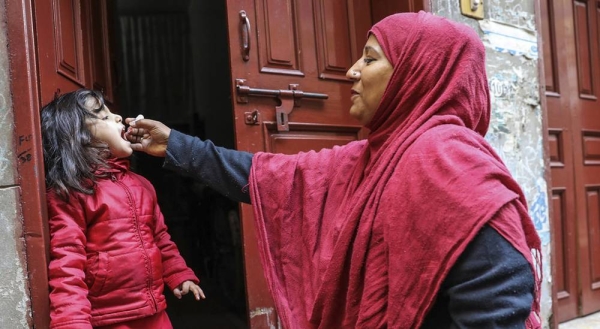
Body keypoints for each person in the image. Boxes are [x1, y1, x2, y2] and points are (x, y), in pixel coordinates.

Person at [126, 11, 541, 329]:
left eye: (371, 58)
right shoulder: (378, 155)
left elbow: (498, 293)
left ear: (417, 74)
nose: (352, 71)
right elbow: (272, 175)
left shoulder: (449, 160)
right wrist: (176, 145)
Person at [41, 89, 206, 329]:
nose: (118, 117)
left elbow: (161, 239)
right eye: (104, 116)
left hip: (154, 310)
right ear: (79, 136)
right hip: (108, 317)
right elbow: (67, 261)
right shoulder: (72, 191)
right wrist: (72, 321)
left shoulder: (143, 185)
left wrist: (178, 274)